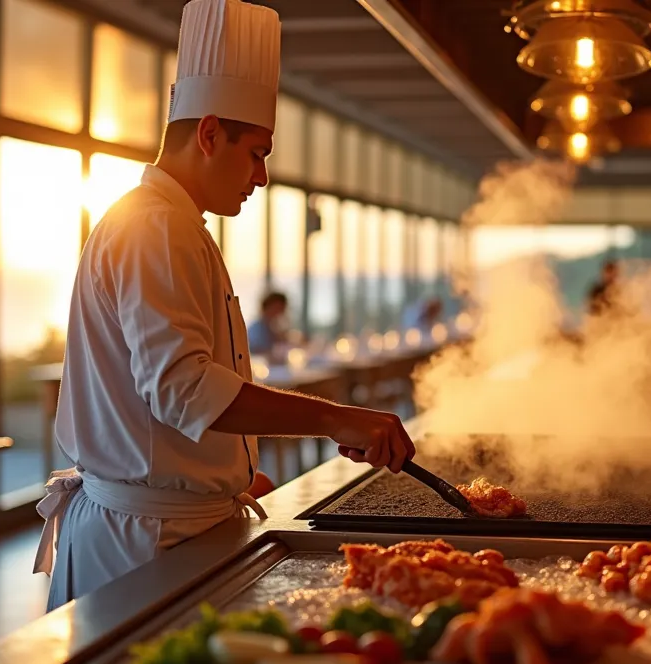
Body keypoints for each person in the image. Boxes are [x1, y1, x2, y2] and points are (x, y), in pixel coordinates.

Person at [35, 0, 414, 611]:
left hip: (177, 525)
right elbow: (183, 388)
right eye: (256, 152)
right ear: (209, 133)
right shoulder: (156, 227)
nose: (261, 176)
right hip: (146, 543)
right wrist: (337, 419)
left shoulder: (174, 224)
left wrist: (230, 476)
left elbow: (178, 388)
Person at [247, 290, 290, 357]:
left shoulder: (272, 328)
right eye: (278, 308)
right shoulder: (255, 328)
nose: (280, 313)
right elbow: (254, 351)